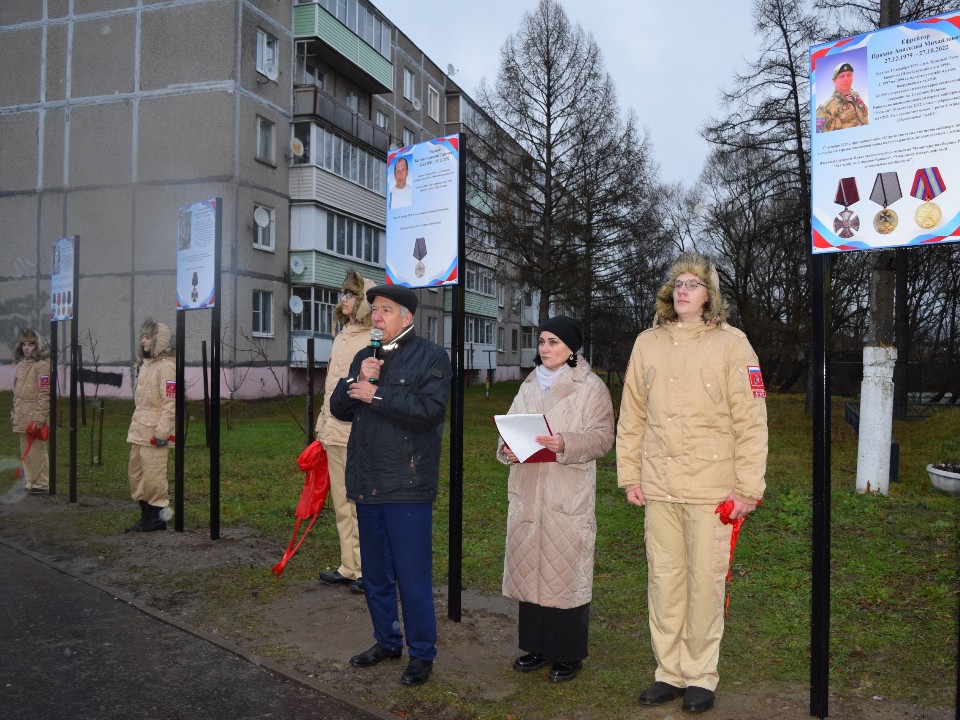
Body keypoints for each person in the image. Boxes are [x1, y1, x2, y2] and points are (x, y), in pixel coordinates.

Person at [617, 251, 767, 714]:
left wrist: (748, 487)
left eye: (694, 284)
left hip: (712, 488)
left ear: (709, 295)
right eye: (678, 282)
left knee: (704, 581)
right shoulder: (648, 343)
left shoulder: (733, 344)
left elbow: (752, 420)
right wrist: (629, 475)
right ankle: (669, 671)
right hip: (659, 484)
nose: (683, 289)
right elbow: (633, 414)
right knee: (664, 581)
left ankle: (700, 674)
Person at [330, 284, 451, 686]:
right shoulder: (366, 356)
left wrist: (377, 395)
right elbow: (338, 407)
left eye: (385, 310)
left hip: (406, 485)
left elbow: (429, 412)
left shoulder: (431, 357)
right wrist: (359, 381)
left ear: (406, 317)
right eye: (375, 309)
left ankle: (422, 653)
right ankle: (386, 640)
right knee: (376, 574)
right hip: (367, 483)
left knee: (412, 575)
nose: (376, 316)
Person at [496, 315, 615, 683]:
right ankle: (535, 646)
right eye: (542, 341)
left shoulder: (590, 387)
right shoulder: (529, 383)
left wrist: (566, 442)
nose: (545, 348)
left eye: (553, 342)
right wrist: (507, 450)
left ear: (571, 348)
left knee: (565, 571)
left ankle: (567, 653)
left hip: (566, 490)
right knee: (530, 566)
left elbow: (602, 438)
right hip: (529, 488)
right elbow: (509, 427)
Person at [315, 269, 376, 595]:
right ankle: (349, 566)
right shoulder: (342, 335)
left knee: (360, 503)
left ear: (364, 300)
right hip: (334, 432)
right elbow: (331, 387)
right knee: (341, 502)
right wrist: (322, 426)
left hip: (357, 433)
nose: (344, 299)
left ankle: (368, 569)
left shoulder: (371, 339)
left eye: (351, 294)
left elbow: (368, 387)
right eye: (344, 294)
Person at [125, 319, 176, 533]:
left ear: (158, 341)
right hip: (139, 430)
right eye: (143, 337)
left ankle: (158, 519)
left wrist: (162, 432)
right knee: (136, 474)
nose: (143, 341)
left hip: (155, 432)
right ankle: (145, 516)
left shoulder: (167, 367)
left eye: (148, 337)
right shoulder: (146, 365)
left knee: (154, 476)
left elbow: (170, 402)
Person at [12, 329, 51, 495]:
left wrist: (39, 417)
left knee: (38, 452)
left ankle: (41, 483)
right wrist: (14, 413)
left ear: (37, 346)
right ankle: (30, 482)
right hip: (21, 414)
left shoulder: (42, 366)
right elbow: (17, 393)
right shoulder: (20, 366)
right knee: (26, 452)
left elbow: (45, 393)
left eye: (30, 344)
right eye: (24, 344)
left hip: (34, 416)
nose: (26, 348)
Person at [816, 61, 868, 133]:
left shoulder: (856, 96)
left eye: (849, 75)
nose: (846, 79)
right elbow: (821, 137)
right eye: (841, 76)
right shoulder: (825, 108)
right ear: (834, 80)